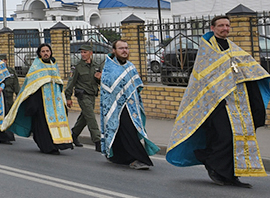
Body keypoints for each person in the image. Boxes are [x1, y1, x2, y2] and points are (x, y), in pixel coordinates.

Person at [167, 15, 270, 187]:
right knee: (223, 136)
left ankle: (231, 176)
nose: (225, 28)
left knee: (237, 138)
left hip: (238, 103)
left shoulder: (234, 49)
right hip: (216, 103)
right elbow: (203, 79)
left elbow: (250, 71)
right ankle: (215, 168)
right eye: (221, 25)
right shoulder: (207, 51)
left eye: (227, 25)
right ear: (212, 28)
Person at [3, 43, 73, 154]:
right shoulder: (36, 66)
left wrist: (63, 99)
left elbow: (59, 83)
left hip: (55, 103)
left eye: (47, 51)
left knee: (58, 123)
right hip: (41, 102)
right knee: (43, 125)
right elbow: (30, 84)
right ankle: (47, 146)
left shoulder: (54, 65)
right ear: (39, 54)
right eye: (43, 51)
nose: (46, 53)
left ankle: (58, 144)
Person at [99, 40, 158, 170]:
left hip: (131, 106)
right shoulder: (109, 68)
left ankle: (120, 157)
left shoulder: (130, 66)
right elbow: (108, 87)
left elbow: (137, 85)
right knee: (125, 131)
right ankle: (140, 159)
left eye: (126, 48)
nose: (124, 51)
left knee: (128, 131)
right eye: (121, 48)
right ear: (114, 50)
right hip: (115, 106)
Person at [65, 43, 102, 151]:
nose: (83, 54)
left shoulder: (96, 66)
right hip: (82, 95)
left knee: (85, 118)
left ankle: (74, 135)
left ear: (91, 53)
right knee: (90, 117)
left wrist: (99, 78)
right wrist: (68, 97)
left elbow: (99, 81)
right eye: (81, 52)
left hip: (92, 95)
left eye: (85, 52)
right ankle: (97, 141)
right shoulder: (77, 67)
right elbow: (71, 83)